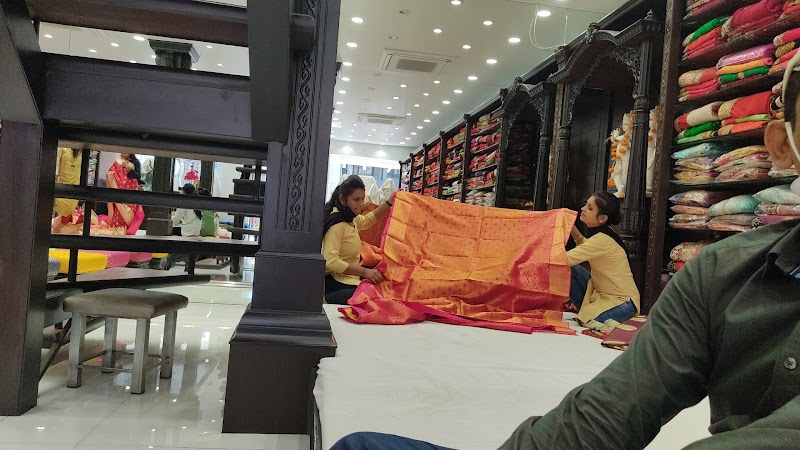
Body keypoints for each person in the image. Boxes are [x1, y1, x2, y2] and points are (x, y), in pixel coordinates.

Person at [328, 47, 800, 450]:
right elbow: (609, 413)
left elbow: (558, 259)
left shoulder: (614, 248)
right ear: (782, 145)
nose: (583, 213)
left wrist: (518, 249)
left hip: (615, 304)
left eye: (589, 209)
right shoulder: (720, 273)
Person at [567, 191, 640, 325]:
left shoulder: (602, 239)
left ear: (602, 218)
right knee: (571, 270)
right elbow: (585, 245)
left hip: (623, 303)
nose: (583, 209)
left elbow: (565, 259)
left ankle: (590, 311)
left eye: (590, 208)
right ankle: (588, 309)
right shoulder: (603, 234)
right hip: (601, 294)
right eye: (585, 205)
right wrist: (570, 227)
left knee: (588, 321)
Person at [322, 175, 395, 305]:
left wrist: (389, 203)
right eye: (356, 200)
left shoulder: (350, 218)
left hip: (348, 279)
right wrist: (364, 272)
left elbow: (367, 220)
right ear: (343, 200)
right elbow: (330, 261)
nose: (361, 204)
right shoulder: (338, 224)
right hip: (336, 282)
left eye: (362, 199)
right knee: (379, 297)